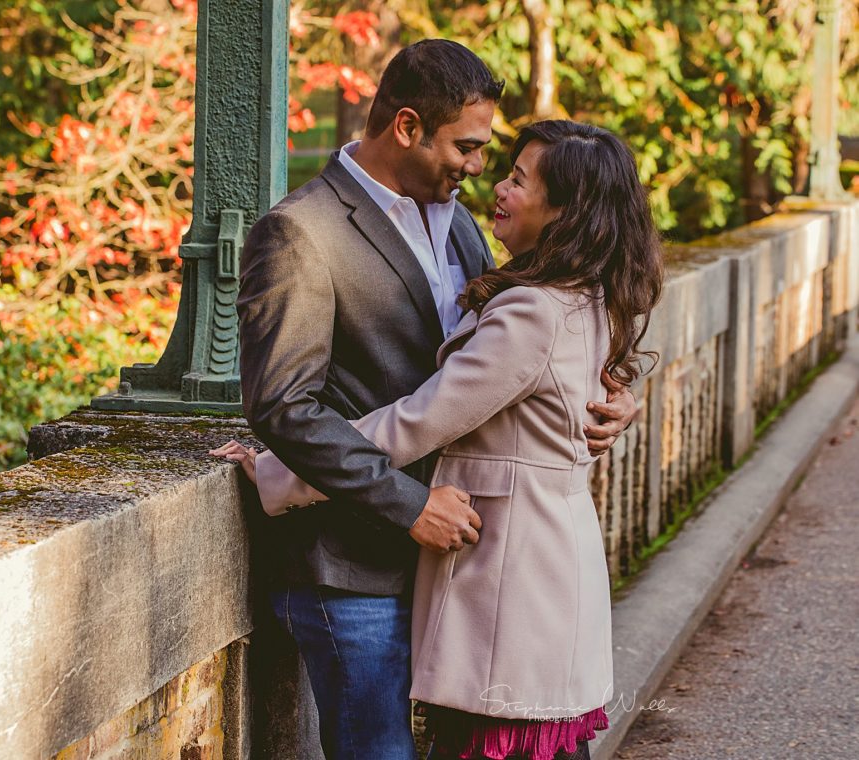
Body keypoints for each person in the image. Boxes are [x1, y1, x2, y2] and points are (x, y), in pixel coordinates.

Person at [224, 40, 637, 760]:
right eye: (467, 147)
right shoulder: (300, 234)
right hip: (352, 567)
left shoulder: (461, 224)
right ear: (408, 127)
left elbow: (522, 355)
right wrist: (407, 506)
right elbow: (286, 408)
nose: (477, 168)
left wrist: (609, 391)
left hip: (454, 569)